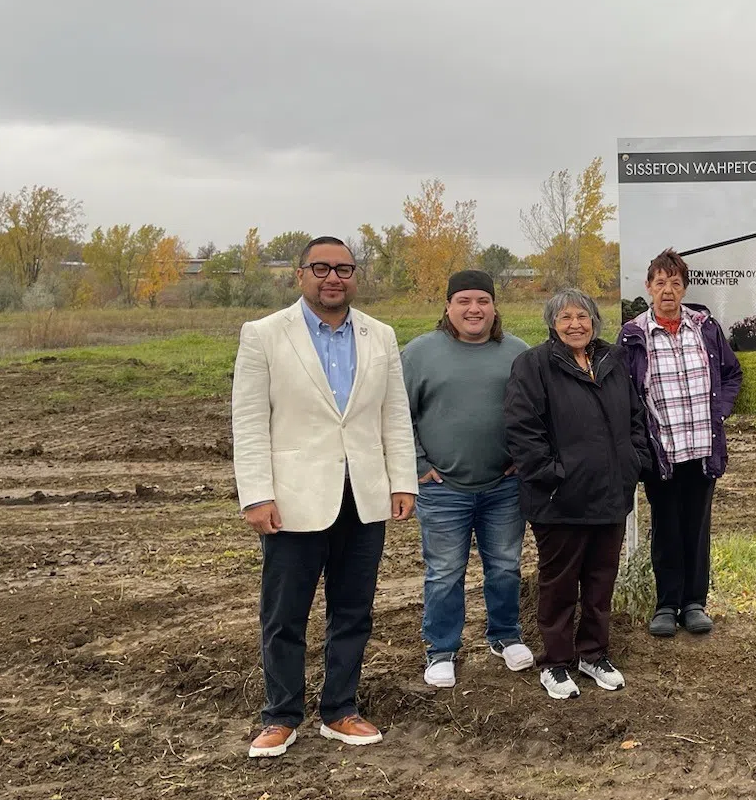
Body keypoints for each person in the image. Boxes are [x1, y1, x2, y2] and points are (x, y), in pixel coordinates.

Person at [231, 236, 417, 758]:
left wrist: (401, 480)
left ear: (355, 276)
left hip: (363, 496)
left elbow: (393, 416)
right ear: (300, 275)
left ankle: (341, 709)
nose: (333, 277)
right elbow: (248, 423)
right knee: (285, 614)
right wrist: (257, 495)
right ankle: (281, 715)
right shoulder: (265, 335)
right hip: (293, 499)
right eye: (321, 268)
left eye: (343, 268)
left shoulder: (379, 336)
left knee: (353, 610)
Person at [505, 288, 651, 699]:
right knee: (559, 584)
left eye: (582, 316)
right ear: (552, 324)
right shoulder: (533, 365)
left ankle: (593, 654)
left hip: (610, 495)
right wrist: (553, 475)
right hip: (560, 501)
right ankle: (555, 663)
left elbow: (635, 416)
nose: (575, 324)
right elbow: (522, 428)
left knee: (601, 580)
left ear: (594, 322)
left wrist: (633, 461)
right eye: (565, 317)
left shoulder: (611, 361)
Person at [401, 270, 534, 689]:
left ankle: (505, 635)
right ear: (448, 306)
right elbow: (396, 415)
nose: (473, 309)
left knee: (505, 567)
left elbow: (537, 411)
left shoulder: (517, 353)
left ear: (494, 307)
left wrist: (522, 457)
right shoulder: (421, 353)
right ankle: (441, 650)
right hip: (442, 489)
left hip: (503, 487)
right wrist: (418, 463)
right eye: (464, 301)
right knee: (443, 572)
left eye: (482, 301)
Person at [619, 249, 743, 638]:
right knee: (666, 527)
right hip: (662, 453)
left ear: (684, 288)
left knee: (696, 527)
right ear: (648, 287)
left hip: (702, 449)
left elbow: (731, 374)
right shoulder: (633, 335)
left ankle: (694, 604)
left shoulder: (704, 328)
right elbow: (624, 393)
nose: (667, 290)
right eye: (660, 283)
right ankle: (666, 605)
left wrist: (718, 413)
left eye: (675, 283)